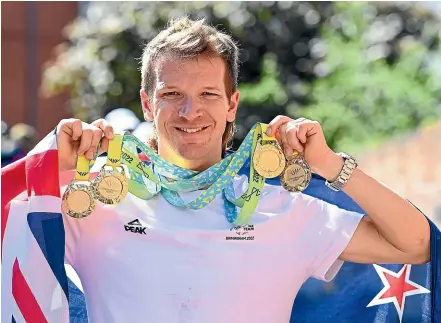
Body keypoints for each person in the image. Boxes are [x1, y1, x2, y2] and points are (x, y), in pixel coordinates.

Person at [3, 18, 430, 323]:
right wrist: (47, 167)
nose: (191, 112)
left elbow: (416, 244)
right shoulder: (94, 201)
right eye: (172, 94)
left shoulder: (280, 207)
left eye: (208, 93)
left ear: (232, 105)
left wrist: (331, 165)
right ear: (148, 103)